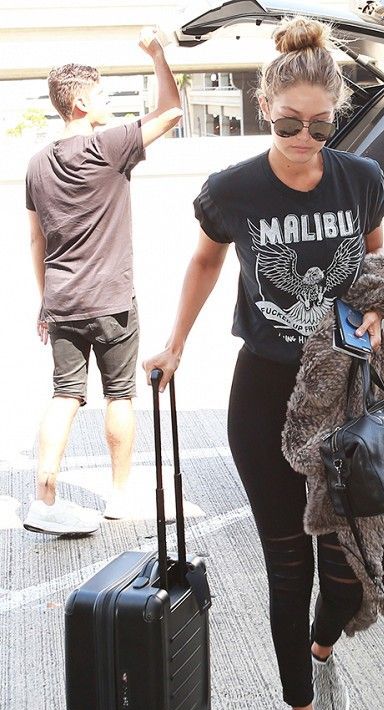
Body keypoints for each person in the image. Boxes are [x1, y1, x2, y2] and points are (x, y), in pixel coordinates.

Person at [143, 17, 384, 710]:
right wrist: (175, 343)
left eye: (321, 125)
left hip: (344, 393)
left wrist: (375, 308)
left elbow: (376, 261)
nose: (304, 140)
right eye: (289, 125)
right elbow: (204, 261)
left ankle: (321, 652)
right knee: (289, 570)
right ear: (263, 110)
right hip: (264, 399)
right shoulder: (233, 190)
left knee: (347, 574)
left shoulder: (361, 178)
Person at [23, 29, 182, 535]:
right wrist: (158, 55)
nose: (108, 102)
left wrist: (46, 302)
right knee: (120, 395)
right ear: (81, 102)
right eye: (102, 94)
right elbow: (172, 112)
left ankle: (44, 499)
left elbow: (36, 241)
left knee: (64, 395)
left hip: (62, 301)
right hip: (112, 301)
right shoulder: (108, 145)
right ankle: (118, 496)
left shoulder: (37, 164)